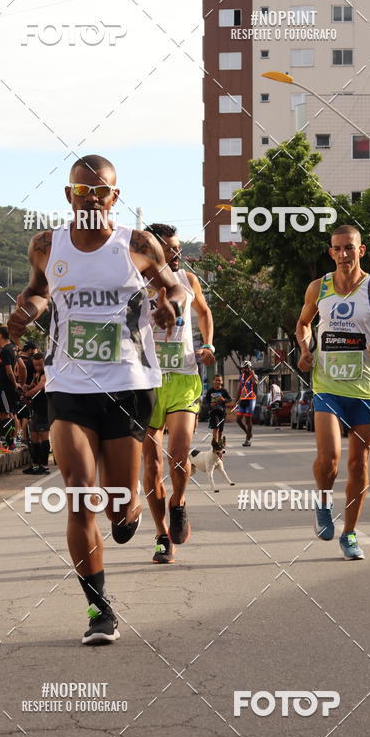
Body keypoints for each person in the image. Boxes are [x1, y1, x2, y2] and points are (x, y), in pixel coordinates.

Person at [7, 154, 184, 645]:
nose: (91, 199)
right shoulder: (47, 244)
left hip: (128, 382)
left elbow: (174, 289)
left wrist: (167, 304)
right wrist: (26, 312)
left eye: (100, 191)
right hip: (68, 383)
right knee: (80, 494)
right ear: (68, 196)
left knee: (117, 505)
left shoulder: (139, 244)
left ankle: (127, 516)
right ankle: (99, 610)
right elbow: (39, 292)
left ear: (114, 196)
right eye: (81, 192)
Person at [295, 224, 370, 561]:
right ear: (331, 252)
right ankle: (323, 504)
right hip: (328, 385)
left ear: (361, 250)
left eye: (349, 248)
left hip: (366, 388)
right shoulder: (318, 287)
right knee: (330, 461)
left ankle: (350, 533)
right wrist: (305, 348)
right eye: (337, 249)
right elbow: (303, 323)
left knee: (358, 463)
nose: (343, 254)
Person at [142, 223, 215, 564]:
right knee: (152, 463)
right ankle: (160, 536)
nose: (175, 254)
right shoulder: (132, 283)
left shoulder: (187, 280)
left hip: (184, 376)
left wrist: (209, 344)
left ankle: (179, 503)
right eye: (169, 248)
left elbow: (204, 311)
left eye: (177, 248)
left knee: (178, 454)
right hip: (145, 381)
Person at [22, 352, 51, 475]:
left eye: (40, 365)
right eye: (36, 365)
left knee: (43, 436)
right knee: (34, 436)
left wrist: (27, 394)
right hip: (35, 408)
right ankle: (35, 464)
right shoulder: (37, 374)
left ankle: (44, 465)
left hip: (44, 409)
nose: (38, 367)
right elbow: (34, 385)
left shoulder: (46, 374)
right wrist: (25, 387)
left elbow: (40, 387)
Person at [0, 326, 19, 451]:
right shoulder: (12, 349)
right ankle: (11, 441)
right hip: (5, 387)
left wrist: (15, 384)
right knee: (8, 413)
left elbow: (9, 371)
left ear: (1, 335)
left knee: (5, 414)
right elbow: (20, 368)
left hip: (4, 387)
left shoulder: (5, 351)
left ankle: (8, 442)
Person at [233, 361, 259, 446]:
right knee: (238, 419)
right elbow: (240, 389)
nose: (243, 370)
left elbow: (255, 383)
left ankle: (247, 440)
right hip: (243, 399)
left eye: (244, 368)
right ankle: (248, 433)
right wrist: (236, 400)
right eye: (242, 368)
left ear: (249, 368)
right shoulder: (241, 376)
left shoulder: (253, 376)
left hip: (251, 399)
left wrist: (252, 373)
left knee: (248, 420)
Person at [205, 374, 231, 443]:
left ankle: (219, 443)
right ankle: (215, 444)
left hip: (222, 412)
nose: (218, 382)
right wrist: (210, 404)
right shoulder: (210, 391)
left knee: (221, 429)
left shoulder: (224, 391)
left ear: (222, 382)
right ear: (213, 381)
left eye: (219, 380)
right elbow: (206, 401)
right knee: (215, 427)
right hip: (213, 412)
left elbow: (229, 399)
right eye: (216, 380)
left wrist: (223, 400)